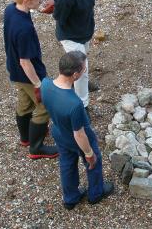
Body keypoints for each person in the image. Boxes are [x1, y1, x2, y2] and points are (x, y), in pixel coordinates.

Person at [41, 51, 114, 210]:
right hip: (76, 138)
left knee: (67, 164)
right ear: (75, 75)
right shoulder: (75, 104)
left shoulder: (45, 84)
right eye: (83, 69)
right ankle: (96, 193)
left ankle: (70, 198)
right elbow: (79, 134)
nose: (85, 71)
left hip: (59, 132)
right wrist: (89, 154)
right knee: (94, 163)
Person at [3, 0, 58, 159]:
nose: (41, 1)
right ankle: (36, 148)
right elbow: (25, 62)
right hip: (28, 74)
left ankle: (26, 137)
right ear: (26, 1)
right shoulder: (24, 29)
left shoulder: (11, 9)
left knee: (25, 102)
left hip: (14, 71)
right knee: (44, 106)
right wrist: (37, 84)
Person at [53, 0, 99, 111]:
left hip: (84, 33)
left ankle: (79, 83)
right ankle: (83, 105)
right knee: (81, 69)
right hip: (71, 37)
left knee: (83, 63)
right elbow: (59, 18)